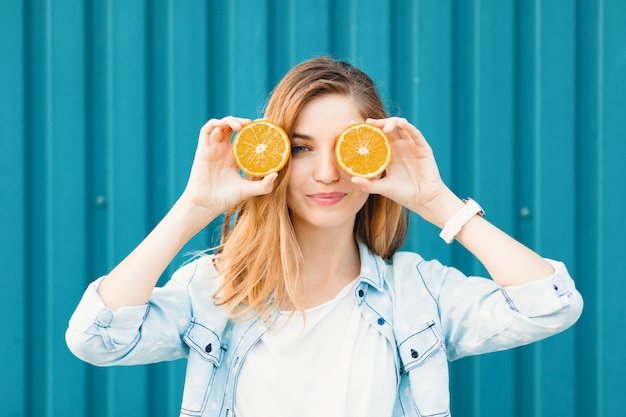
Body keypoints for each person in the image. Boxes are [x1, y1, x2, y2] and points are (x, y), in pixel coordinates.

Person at [66, 56, 583, 417]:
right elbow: (97, 338)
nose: (329, 173)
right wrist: (193, 207)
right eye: (301, 148)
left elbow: (550, 305)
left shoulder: (416, 293)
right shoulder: (216, 289)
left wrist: (435, 200)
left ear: (376, 155)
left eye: (348, 147)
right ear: (271, 156)